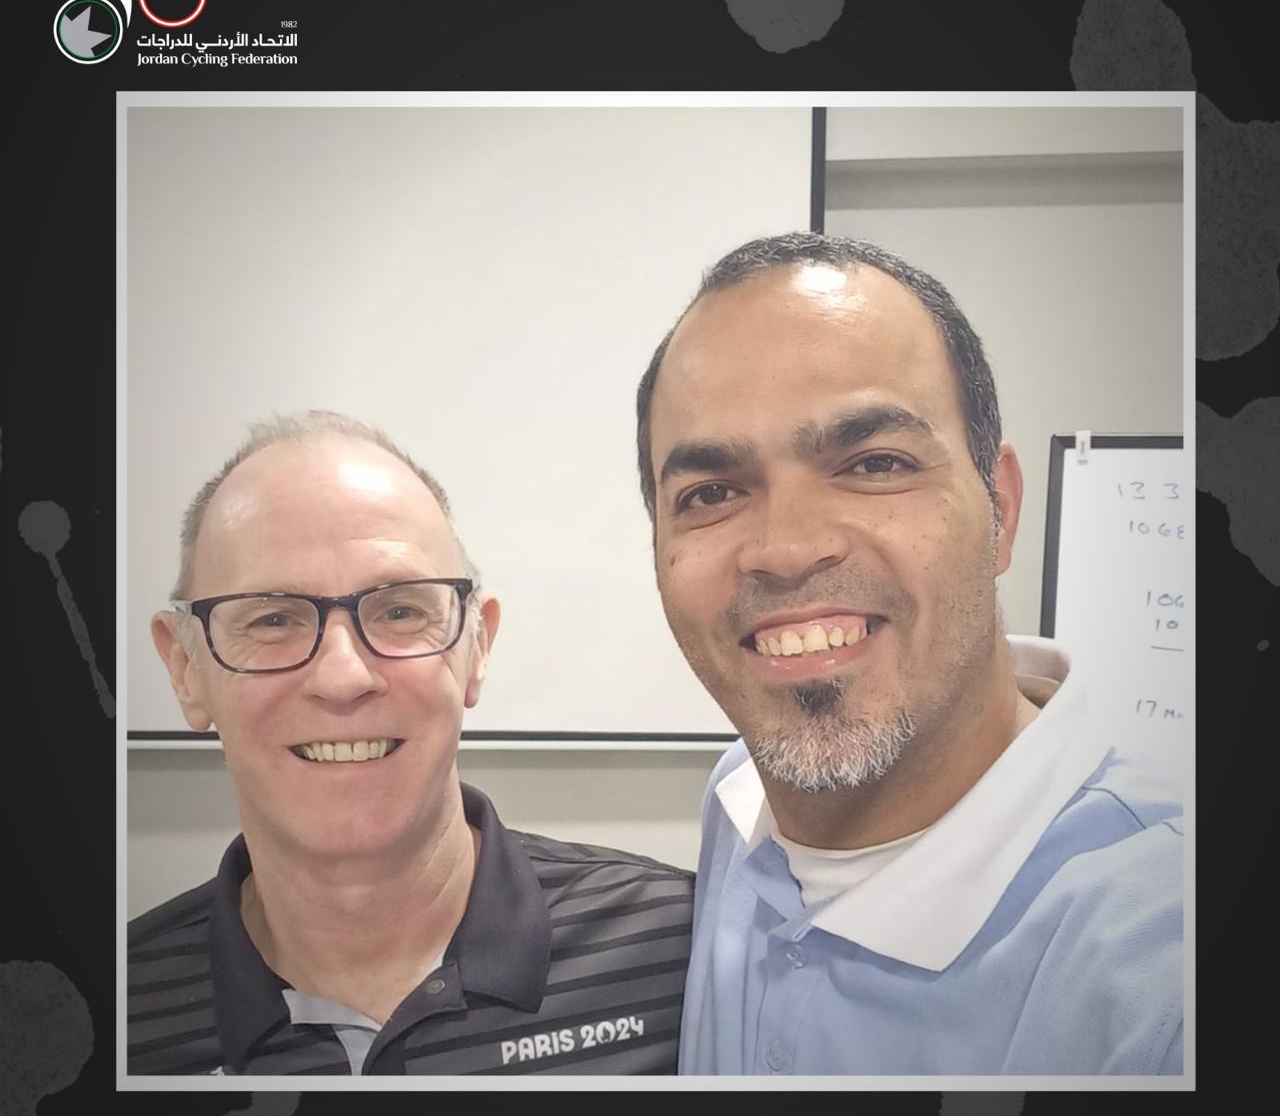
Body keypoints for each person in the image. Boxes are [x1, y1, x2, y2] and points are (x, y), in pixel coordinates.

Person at [635, 233, 1183, 1076]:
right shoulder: (739, 800)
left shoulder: (1164, 967)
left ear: (1000, 507)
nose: (786, 549)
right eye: (710, 493)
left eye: (874, 463)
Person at [128, 412, 693, 1076]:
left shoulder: (684, 954)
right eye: (272, 619)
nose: (343, 678)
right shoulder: (103, 1016)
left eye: (400, 611)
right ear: (185, 670)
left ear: (477, 645)